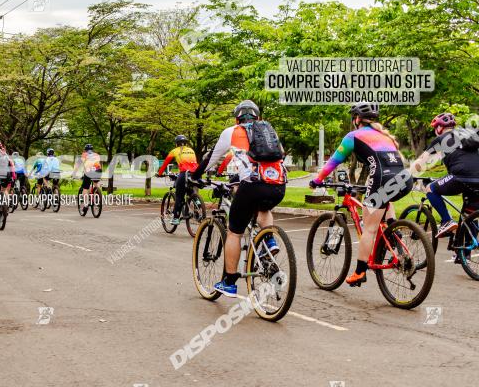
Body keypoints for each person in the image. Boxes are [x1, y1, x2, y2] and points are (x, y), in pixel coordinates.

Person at [310, 102, 412, 286]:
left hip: (382, 179)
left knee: (370, 228)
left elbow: (333, 161)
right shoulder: (385, 136)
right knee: (385, 201)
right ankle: (394, 235)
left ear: (357, 119)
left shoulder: (353, 136)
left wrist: (317, 180)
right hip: (404, 180)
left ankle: (360, 272)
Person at [193, 100, 287, 297]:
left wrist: (194, 177)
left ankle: (229, 281)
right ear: (258, 117)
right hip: (278, 186)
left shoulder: (232, 131)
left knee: (235, 231)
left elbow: (212, 158)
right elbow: (281, 154)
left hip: (252, 185)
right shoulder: (269, 131)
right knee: (263, 209)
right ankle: (269, 241)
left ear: (237, 118)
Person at [410, 113, 479, 238]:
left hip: (460, 176)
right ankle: (464, 255)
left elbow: (421, 162)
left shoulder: (441, 139)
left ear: (439, 128)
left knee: (430, 188)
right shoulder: (468, 135)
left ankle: (447, 220)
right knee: (470, 216)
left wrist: (409, 173)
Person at [156, 135, 199, 225]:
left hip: (185, 173)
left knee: (179, 196)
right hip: (196, 173)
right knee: (190, 188)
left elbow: (165, 164)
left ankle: (175, 218)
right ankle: (196, 201)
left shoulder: (174, 151)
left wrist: (159, 173)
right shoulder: (191, 150)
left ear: (176, 144)